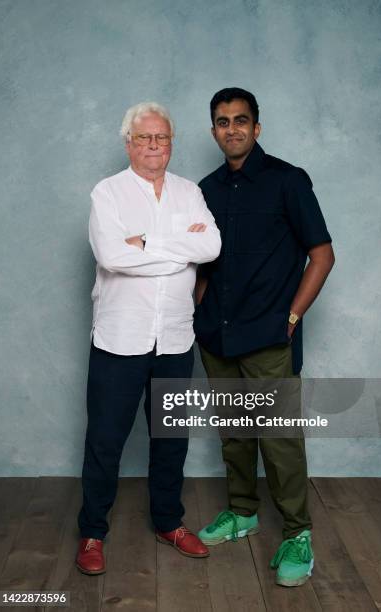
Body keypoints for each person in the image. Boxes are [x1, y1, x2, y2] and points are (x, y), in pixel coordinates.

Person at [194, 88, 335, 587]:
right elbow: (205, 265)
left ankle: (297, 532)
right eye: (222, 121)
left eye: (240, 120)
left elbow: (322, 255)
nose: (231, 128)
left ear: (257, 127)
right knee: (234, 436)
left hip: (269, 337)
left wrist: (292, 317)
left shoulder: (287, 181)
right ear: (213, 131)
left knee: (279, 440)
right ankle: (243, 512)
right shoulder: (204, 189)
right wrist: (195, 312)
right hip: (218, 337)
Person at [76, 102, 221, 575]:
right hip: (120, 339)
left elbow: (211, 247)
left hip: (176, 338)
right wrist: (178, 249)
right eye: (144, 138)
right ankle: (93, 532)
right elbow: (112, 256)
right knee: (105, 439)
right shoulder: (108, 193)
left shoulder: (190, 192)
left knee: (170, 437)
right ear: (128, 143)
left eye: (161, 137)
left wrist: (147, 243)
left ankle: (169, 522)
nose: (154, 145)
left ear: (171, 142)